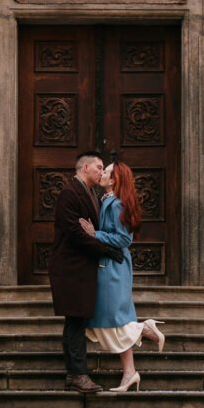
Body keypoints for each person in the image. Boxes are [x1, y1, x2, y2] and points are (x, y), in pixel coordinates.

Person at [80, 161, 165, 393]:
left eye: (106, 171)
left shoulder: (116, 204)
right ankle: (131, 368)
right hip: (107, 266)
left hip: (113, 268)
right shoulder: (107, 200)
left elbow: (124, 239)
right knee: (106, 322)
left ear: (114, 179)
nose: (102, 174)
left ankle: (141, 334)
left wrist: (94, 233)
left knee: (113, 321)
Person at [47, 151, 125, 394]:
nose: (102, 172)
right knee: (75, 319)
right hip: (70, 268)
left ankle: (75, 373)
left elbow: (92, 231)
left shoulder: (92, 194)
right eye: (99, 167)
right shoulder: (70, 193)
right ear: (85, 168)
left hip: (81, 268)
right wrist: (108, 251)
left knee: (76, 320)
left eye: (103, 168)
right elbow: (76, 234)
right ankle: (78, 375)